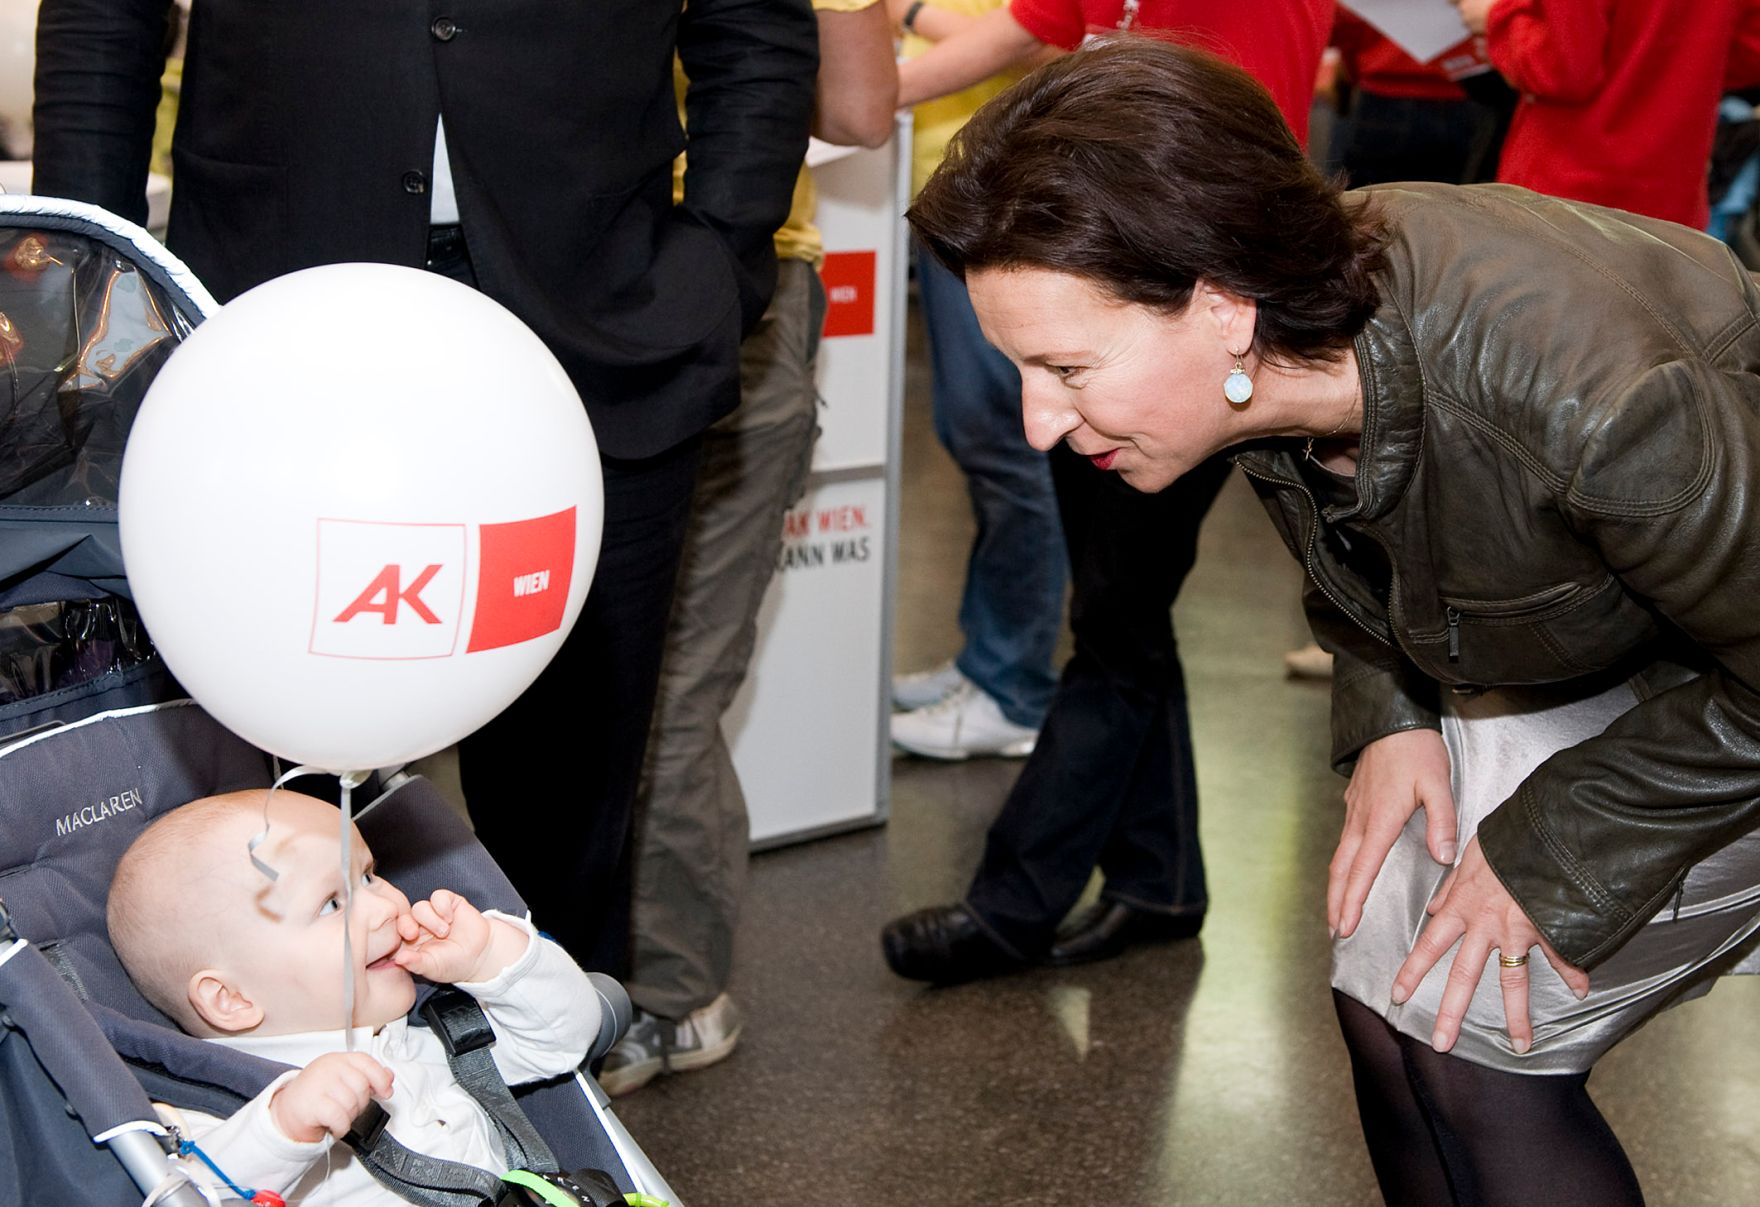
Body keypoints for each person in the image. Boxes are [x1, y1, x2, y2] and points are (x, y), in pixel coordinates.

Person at [907, 37, 1760, 1204]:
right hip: (1643, 629)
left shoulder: (1605, 405)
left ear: (1217, 307)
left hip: (1730, 668)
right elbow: (1360, 539)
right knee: (1382, 991)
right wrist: (1390, 706)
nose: (1037, 423)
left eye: (1066, 367)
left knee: (1476, 1046)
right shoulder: (1276, 337)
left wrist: (1549, 845)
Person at [32, 0, 819, 979]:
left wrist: (721, 256)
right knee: (272, 794)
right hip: (273, 314)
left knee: (572, 790)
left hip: (601, 317)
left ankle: (557, 1083)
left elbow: (754, 28)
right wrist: (82, 270)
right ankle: (294, 1096)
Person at [881, 6, 1331, 985]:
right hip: (1098, 293)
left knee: (1118, 620)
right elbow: (1021, 33)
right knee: (1122, 611)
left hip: (1177, 313)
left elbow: (1217, 148)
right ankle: (1159, 879)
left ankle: (1011, 905)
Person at [605, 1, 900, 1095]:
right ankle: (621, 982)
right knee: (640, 677)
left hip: (715, 292)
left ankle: (670, 994)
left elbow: (859, 110)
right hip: (683, 278)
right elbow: (862, 105)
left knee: (662, 682)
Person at [106, 790, 599, 1204]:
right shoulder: (208, 1117)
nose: (388, 904)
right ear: (230, 999)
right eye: (332, 903)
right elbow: (193, 1193)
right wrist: (281, 1131)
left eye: (368, 875)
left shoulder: (430, 1040)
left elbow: (563, 1040)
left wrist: (492, 956)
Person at [885, 0, 1062, 763]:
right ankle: (984, 658)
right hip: (950, 197)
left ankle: (1012, 683)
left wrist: (915, 16)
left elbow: (1054, 41)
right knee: (980, 442)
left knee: (1011, 448)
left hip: (1007, 203)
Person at [1452, 0, 1760, 229]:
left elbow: (1562, 71)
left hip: (1565, 198)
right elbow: (1750, 50)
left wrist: (1498, 18)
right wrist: (1677, 70)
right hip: (1671, 200)